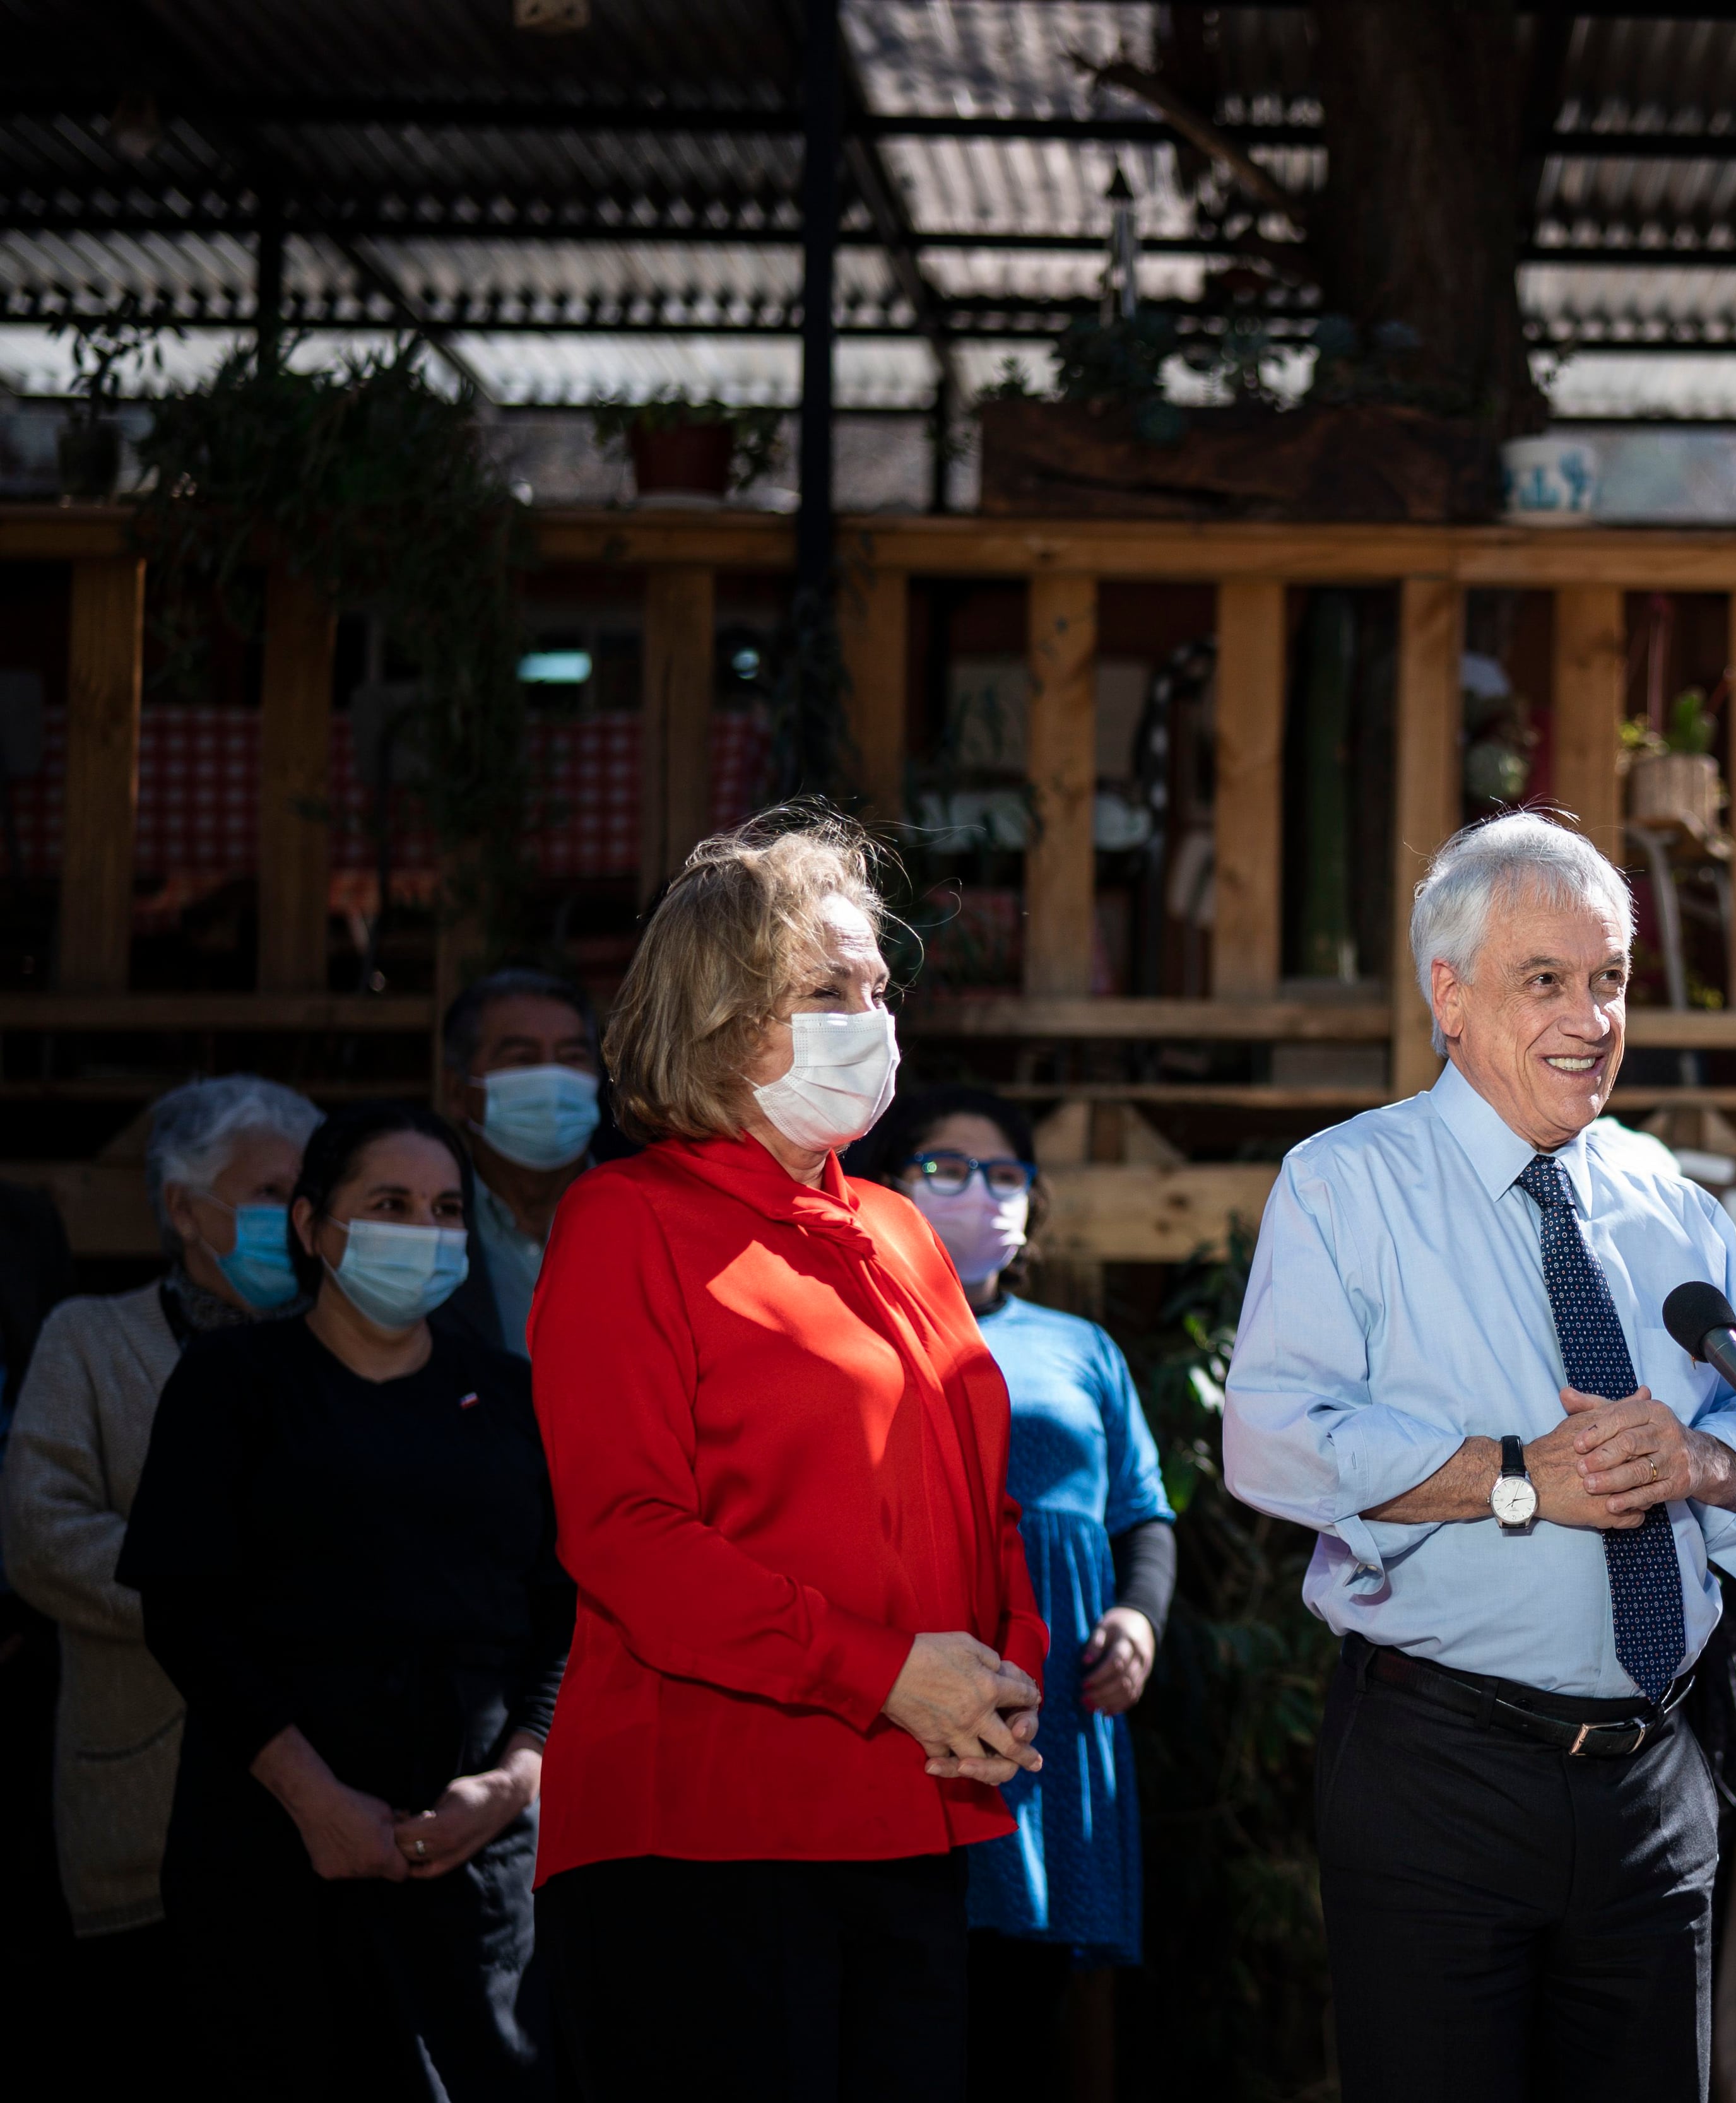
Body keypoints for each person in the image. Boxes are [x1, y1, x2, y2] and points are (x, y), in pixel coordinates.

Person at [1221, 810, 1736, 2103]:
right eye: (1547, 980)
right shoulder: (1343, 1185)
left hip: (1657, 1776)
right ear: (1450, 993)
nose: (1591, 1017)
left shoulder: (1676, 1203)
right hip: (1441, 1775)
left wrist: (1698, 1467)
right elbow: (1271, 1441)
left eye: (1609, 980)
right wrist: (1519, 1475)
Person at [528, 807, 1051, 2100]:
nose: (872, 1016)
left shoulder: (898, 1227)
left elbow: (981, 1499)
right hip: (705, 1832)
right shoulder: (625, 1220)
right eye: (827, 988)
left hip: (911, 1818)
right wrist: (882, 1674)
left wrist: (1001, 1679)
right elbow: (628, 1536)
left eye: (877, 986)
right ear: (717, 1014)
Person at [117, 1097, 570, 2098]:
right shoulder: (231, 1382)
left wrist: (513, 1783)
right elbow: (186, 1613)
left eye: (448, 1208)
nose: (426, 1231)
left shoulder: (513, 1397)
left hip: (480, 1867)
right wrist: (315, 1801)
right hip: (274, 1852)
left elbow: (564, 1613)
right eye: (391, 1202)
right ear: (315, 1226)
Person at [851, 1083, 1178, 2094]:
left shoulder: (1085, 1348)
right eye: (945, 1168)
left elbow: (1144, 1510)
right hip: (909, 1699)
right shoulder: (853, 1329)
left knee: (1023, 2010)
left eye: (1003, 1174)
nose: (978, 1192)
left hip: (1058, 1714)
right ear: (889, 1185)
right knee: (899, 1991)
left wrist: (1138, 1619)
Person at [1, 1076, 322, 2036]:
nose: (295, 1216)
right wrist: (220, 1603)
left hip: (325, 1814)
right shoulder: (91, 1340)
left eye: (307, 1194)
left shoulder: (341, 1346)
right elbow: (42, 1535)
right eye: (269, 1193)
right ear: (185, 1207)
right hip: (144, 1812)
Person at [436, 967, 608, 1358]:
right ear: (457, 1091)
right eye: (522, 1058)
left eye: (572, 1057)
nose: (552, 1079)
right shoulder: (425, 1222)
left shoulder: (652, 1215)